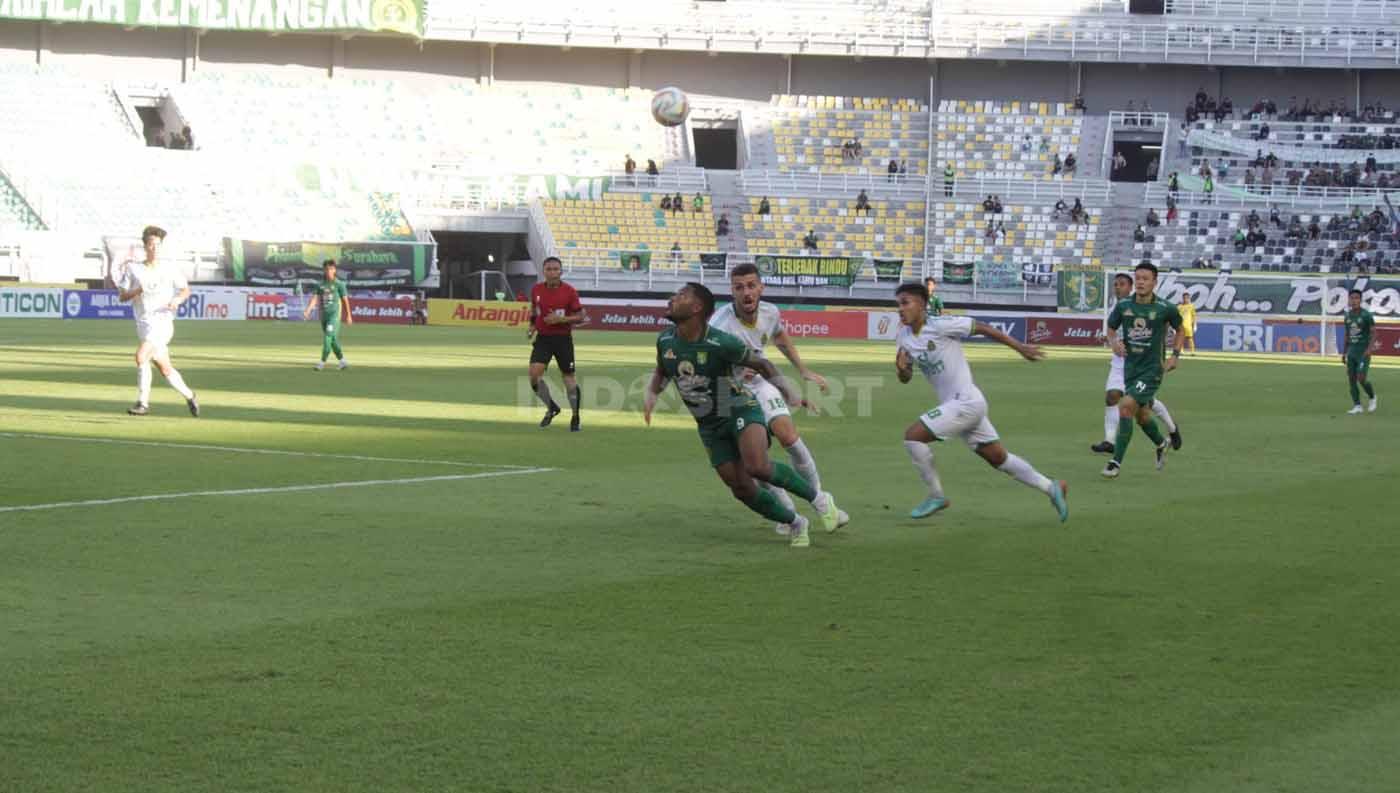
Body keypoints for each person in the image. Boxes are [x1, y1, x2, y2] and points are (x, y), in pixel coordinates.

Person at [643, 283, 843, 548]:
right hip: (708, 425)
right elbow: (662, 369)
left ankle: (819, 499)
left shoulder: (721, 342)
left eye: (680, 295)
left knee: (757, 465)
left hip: (739, 406)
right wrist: (652, 394)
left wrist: (788, 392)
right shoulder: (665, 340)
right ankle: (795, 522)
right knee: (741, 488)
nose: (672, 298)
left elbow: (762, 363)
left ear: (696, 307)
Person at [892, 283, 1068, 522]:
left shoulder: (941, 325)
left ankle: (936, 496)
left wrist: (1020, 347)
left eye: (905, 302)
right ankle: (1051, 487)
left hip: (965, 401)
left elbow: (982, 328)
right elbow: (906, 377)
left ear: (922, 304)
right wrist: (902, 370)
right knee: (999, 458)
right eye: (898, 304)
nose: (900, 309)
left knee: (913, 436)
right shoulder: (903, 337)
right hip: (961, 407)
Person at [709, 263, 849, 536]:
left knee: (788, 436)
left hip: (761, 383)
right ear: (732, 291)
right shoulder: (719, 325)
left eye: (751, 285)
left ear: (761, 287)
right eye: (739, 287)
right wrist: (731, 370)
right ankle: (789, 515)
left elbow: (780, 337)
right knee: (755, 461)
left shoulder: (770, 312)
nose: (746, 292)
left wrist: (803, 370)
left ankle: (822, 500)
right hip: (731, 392)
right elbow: (708, 366)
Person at [1101, 262, 1183, 479]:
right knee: (1143, 416)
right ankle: (1161, 442)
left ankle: (1115, 462)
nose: (1140, 282)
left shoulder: (1165, 308)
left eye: (1145, 279)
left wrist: (1175, 355)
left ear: (1154, 282)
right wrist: (1114, 342)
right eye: (1137, 278)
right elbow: (1110, 328)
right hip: (1131, 369)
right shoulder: (1124, 305)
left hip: (1152, 369)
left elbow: (1180, 328)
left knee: (1125, 407)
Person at [111, 225, 199, 417]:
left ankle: (143, 403)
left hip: (162, 323)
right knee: (165, 368)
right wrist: (138, 291)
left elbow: (185, 290)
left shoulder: (169, 268)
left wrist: (177, 299)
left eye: (158, 245)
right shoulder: (133, 269)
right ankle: (190, 395)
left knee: (141, 357)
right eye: (151, 244)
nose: (155, 248)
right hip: (144, 324)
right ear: (145, 246)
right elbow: (122, 296)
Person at [528, 256, 586, 432]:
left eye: (555, 269)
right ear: (543, 271)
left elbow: (582, 316)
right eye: (549, 269)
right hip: (543, 339)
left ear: (561, 271)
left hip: (563, 339)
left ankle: (575, 416)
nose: (552, 272)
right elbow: (534, 309)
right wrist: (532, 326)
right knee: (534, 376)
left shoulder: (569, 291)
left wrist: (562, 319)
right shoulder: (537, 289)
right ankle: (552, 407)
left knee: (568, 377)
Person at [302, 259, 354, 370]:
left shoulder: (339, 284)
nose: (328, 271)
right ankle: (342, 361)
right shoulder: (320, 285)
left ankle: (321, 363)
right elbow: (314, 299)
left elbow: (345, 301)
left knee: (327, 337)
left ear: (334, 270)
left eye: (330, 269)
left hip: (334, 316)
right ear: (324, 270)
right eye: (326, 269)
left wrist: (349, 315)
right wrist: (308, 310)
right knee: (333, 340)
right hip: (324, 317)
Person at [1343, 289, 1378, 414]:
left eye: (1356, 298)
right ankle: (1357, 406)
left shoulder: (1366, 315)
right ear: (1349, 300)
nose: (1354, 300)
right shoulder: (1347, 316)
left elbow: (1374, 334)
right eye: (1352, 298)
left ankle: (1372, 397)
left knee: (1361, 378)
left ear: (1360, 300)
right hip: (1352, 351)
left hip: (1363, 352)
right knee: (1351, 379)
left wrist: (1369, 349)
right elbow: (1347, 334)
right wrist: (1344, 352)